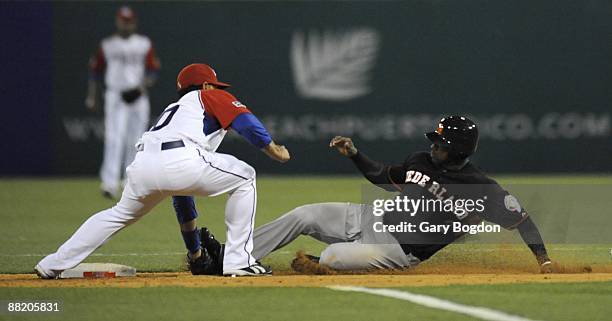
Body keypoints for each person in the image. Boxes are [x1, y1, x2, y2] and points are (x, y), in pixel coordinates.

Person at [36, 63, 290, 279]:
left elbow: (181, 195)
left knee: (117, 215)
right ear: (205, 85)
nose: (217, 89)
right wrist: (274, 149)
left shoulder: (176, 110)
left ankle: (52, 264)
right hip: (181, 157)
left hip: (143, 164)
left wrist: (195, 252)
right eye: (215, 85)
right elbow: (246, 122)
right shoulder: (206, 96)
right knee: (245, 177)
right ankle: (239, 261)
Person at [247, 116, 555, 273]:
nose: (434, 146)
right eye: (434, 140)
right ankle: (236, 256)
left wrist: (544, 262)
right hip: (373, 218)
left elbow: (523, 222)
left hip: (397, 251)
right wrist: (355, 154)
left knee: (332, 256)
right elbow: (382, 176)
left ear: (459, 149)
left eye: (441, 143)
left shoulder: (482, 189)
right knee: (304, 214)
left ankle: (327, 262)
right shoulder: (420, 159)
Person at [86, 6, 161, 199]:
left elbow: (153, 71)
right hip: (116, 95)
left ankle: (130, 181)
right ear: (118, 21)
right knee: (114, 138)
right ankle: (109, 183)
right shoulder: (108, 44)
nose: (125, 24)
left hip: (138, 96)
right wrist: (92, 96)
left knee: (136, 140)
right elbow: (95, 71)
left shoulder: (144, 43)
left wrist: (141, 89)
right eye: (122, 20)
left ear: (133, 22)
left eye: (128, 21)